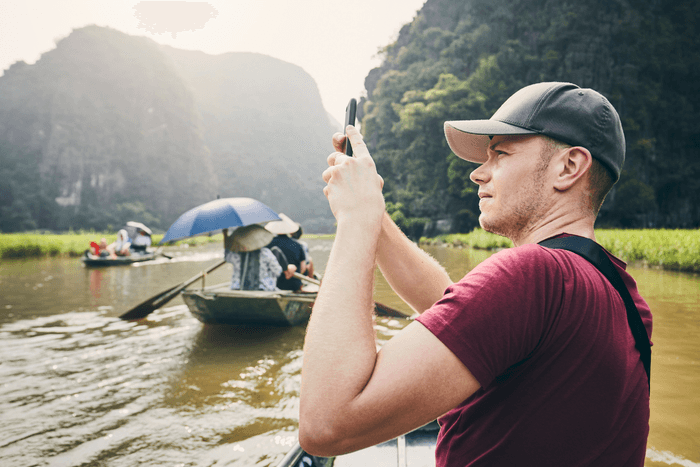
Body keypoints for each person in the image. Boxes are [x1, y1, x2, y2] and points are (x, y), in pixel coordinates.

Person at [299, 82, 653, 466]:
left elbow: (326, 425)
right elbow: (462, 316)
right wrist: (374, 212)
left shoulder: (531, 275)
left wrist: (355, 221)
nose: (477, 174)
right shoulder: (624, 298)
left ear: (568, 166)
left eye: (499, 153)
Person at [223, 224, 292, 291]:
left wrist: (225, 235)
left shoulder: (236, 253)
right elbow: (277, 271)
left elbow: (227, 257)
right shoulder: (265, 252)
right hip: (263, 289)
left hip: (238, 288)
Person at [265, 213, 307, 292]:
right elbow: (303, 268)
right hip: (294, 284)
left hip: (275, 284)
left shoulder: (268, 244)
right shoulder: (298, 245)